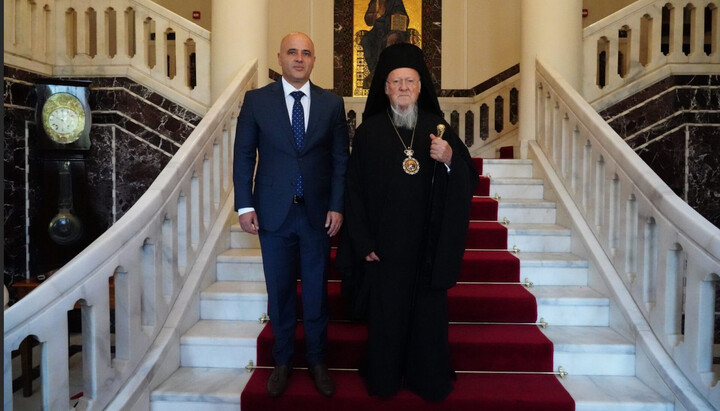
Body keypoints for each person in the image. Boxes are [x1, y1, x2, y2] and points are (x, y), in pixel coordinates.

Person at [337, 43, 478, 401]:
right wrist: (363, 242)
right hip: (385, 249)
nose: (403, 87)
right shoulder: (369, 132)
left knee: (427, 318)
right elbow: (352, 192)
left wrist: (448, 160)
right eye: (396, 81)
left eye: (410, 81)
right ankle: (384, 377)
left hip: (427, 247)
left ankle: (425, 377)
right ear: (384, 88)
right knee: (386, 317)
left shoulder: (439, 129)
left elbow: (467, 178)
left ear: (421, 87)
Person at [233, 32, 350, 398]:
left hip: (317, 215)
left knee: (316, 294)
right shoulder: (256, 101)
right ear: (280, 58)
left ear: (314, 61)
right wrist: (245, 204)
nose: (299, 59)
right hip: (273, 215)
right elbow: (243, 155)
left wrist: (337, 205)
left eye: (306, 53)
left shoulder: (332, 104)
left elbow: (339, 161)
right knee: (280, 292)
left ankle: (317, 361)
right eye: (292, 52)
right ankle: (283, 361)